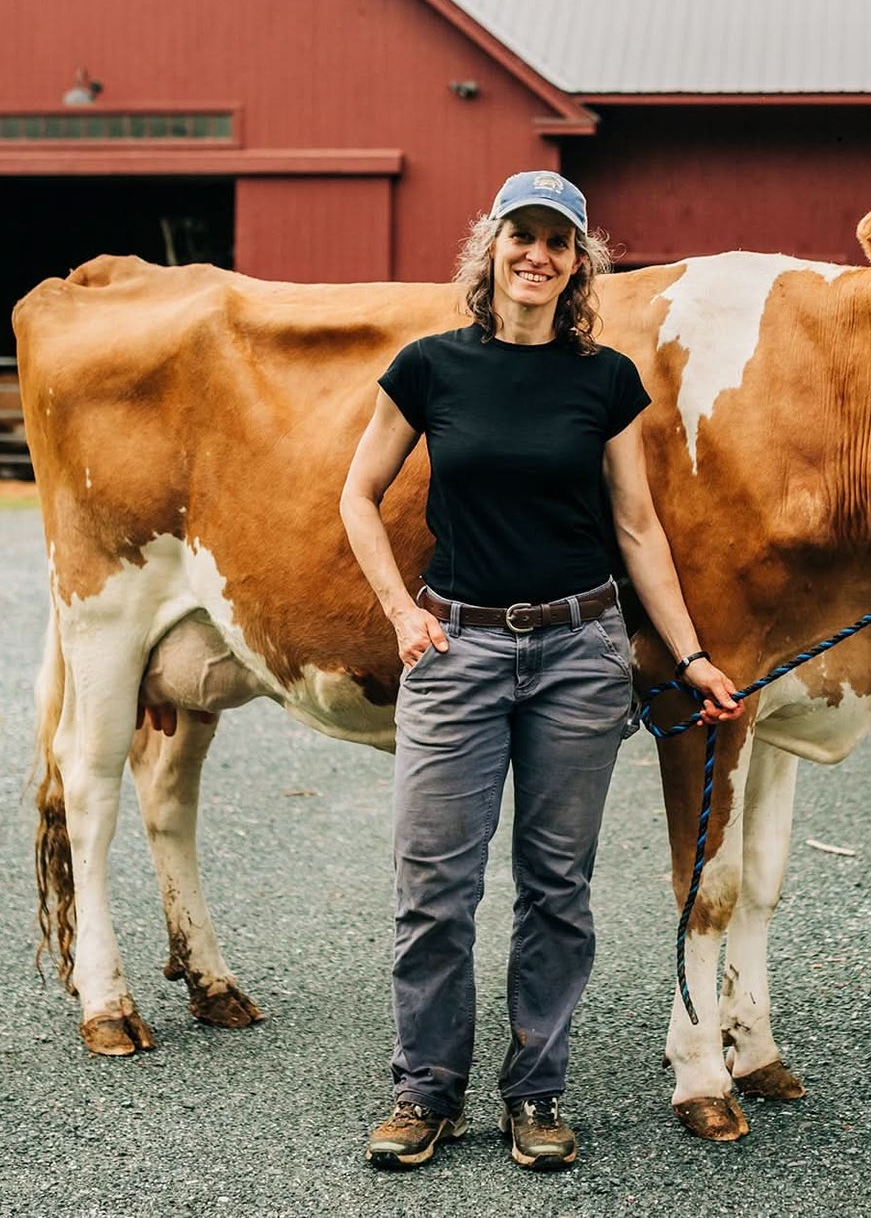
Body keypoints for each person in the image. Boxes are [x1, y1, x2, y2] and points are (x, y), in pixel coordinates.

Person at [339, 170, 741, 1172]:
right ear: (492, 249)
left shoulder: (603, 378)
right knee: (434, 884)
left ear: (576, 263)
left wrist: (687, 653)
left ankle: (535, 1093)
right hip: (455, 646)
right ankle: (424, 1090)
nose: (537, 254)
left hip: (578, 650)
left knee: (556, 885)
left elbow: (637, 525)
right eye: (521, 235)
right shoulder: (429, 366)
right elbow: (356, 492)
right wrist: (399, 612)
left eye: (557, 241)